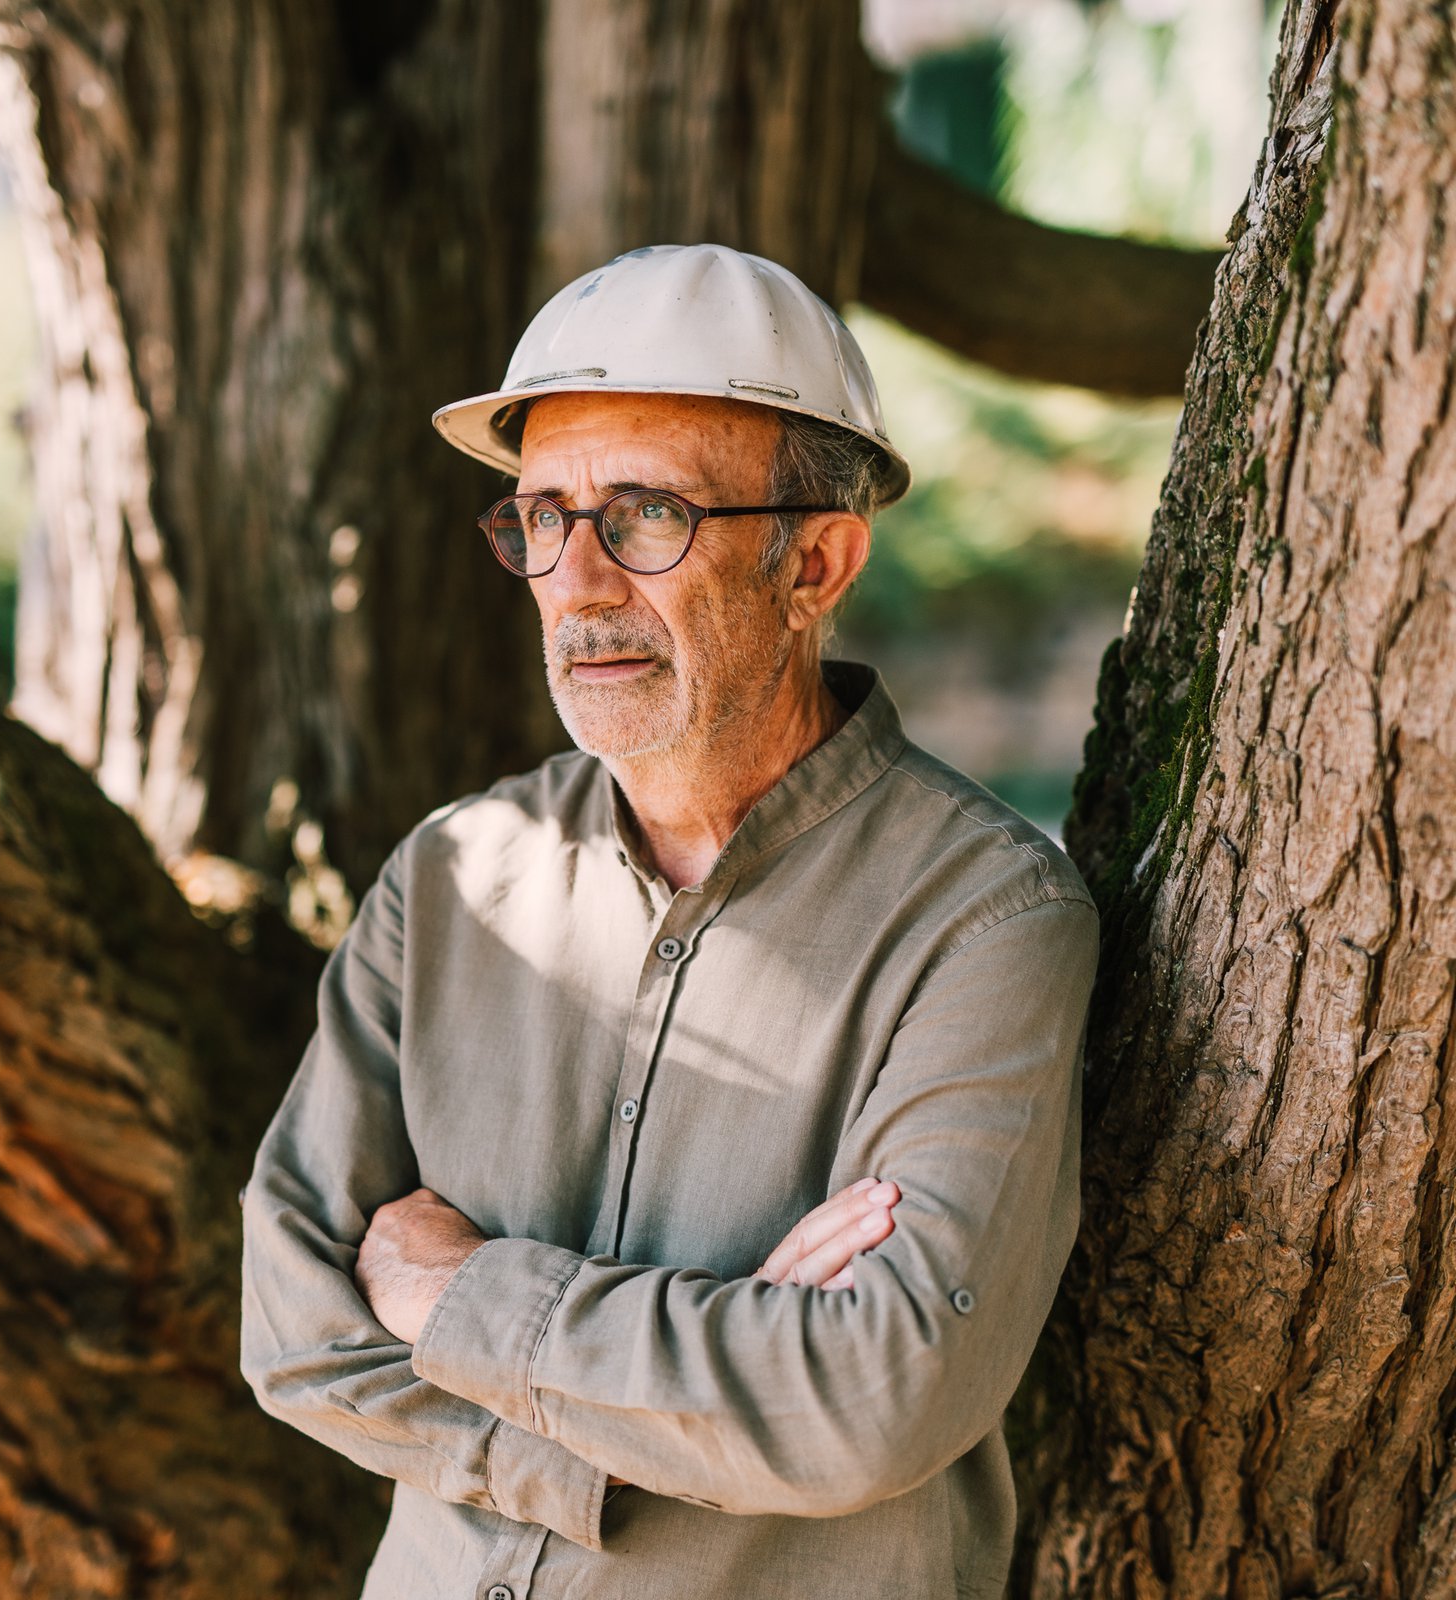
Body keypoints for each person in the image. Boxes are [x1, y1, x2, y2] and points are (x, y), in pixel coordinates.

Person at [238, 242, 1098, 1599]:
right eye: (539, 518)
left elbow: (869, 1400)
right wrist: (673, 1411)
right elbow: (293, 1332)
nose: (575, 583)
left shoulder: (988, 922)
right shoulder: (451, 880)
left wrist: (455, 1300)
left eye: (645, 516)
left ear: (815, 561)